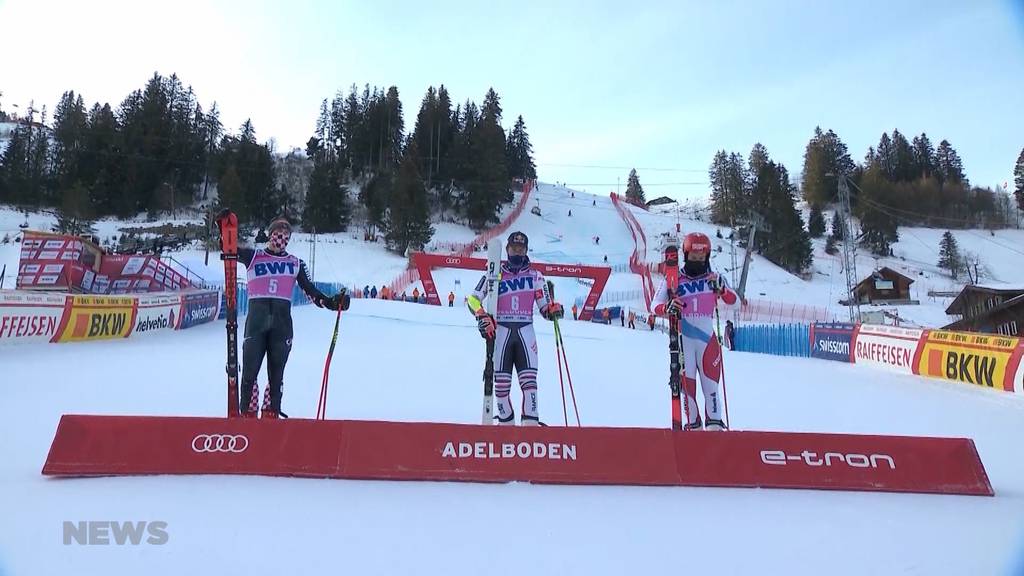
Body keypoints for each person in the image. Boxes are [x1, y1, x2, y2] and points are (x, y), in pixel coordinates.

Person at [230, 215, 350, 419]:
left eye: (286, 236)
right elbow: (228, 250)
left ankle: (271, 413)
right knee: (249, 373)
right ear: (270, 235)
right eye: (278, 234)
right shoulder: (254, 256)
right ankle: (246, 414)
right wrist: (225, 228)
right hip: (256, 324)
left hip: (281, 325)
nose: (281, 239)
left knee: (276, 376)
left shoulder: (295, 263)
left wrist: (332, 302)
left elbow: (312, 292)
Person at [468, 231, 563, 426]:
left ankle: (531, 428)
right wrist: (481, 315)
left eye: (521, 249)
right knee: (501, 388)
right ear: (507, 249)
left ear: (526, 251)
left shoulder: (536, 276)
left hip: (525, 333)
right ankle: (506, 428)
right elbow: (472, 299)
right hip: (501, 333)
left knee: (530, 386)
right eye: (514, 248)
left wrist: (554, 309)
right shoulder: (494, 272)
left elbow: (545, 308)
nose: (517, 252)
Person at [652, 233, 739, 431]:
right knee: (688, 391)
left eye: (702, 258)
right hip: (684, 342)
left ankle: (715, 432)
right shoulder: (673, 278)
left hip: (708, 341)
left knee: (711, 389)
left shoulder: (714, 277)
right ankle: (694, 430)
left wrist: (723, 290)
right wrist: (667, 308)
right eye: (694, 257)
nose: (698, 261)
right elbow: (654, 304)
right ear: (686, 254)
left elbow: (736, 303)